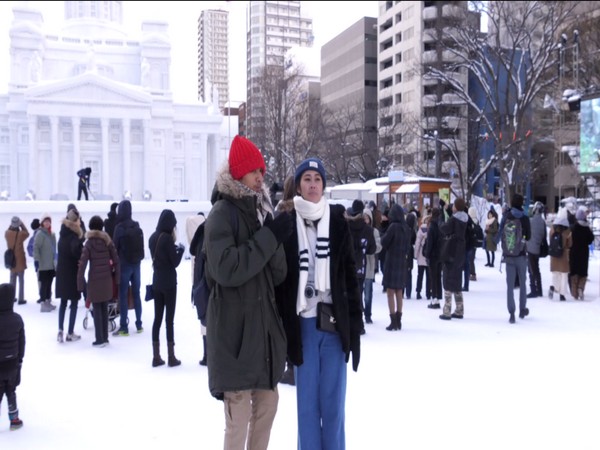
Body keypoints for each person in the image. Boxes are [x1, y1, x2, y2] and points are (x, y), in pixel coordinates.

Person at [204, 135, 292, 450]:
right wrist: (268, 238)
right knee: (237, 423)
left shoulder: (260, 213)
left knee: (267, 410)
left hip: (264, 336)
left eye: (262, 172)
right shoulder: (221, 215)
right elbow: (227, 269)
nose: (260, 177)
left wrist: (276, 236)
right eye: (254, 171)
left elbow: (278, 274)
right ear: (239, 172)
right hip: (235, 339)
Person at [274, 157, 361, 450]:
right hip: (304, 326)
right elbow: (281, 281)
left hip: (334, 324)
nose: (312, 184)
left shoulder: (337, 221)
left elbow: (350, 274)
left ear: (323, 185)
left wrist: (355, 326)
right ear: (298, 185)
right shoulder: (286, 222)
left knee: (334, 408)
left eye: (317, 179)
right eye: (307, 179)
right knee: (307, 408)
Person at [148, 209, 185, 368]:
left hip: (157, 281)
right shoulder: (168, 239)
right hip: (169, 283)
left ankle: (156, 357)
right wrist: (181, 250)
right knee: (169, 320)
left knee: (157, 319)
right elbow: (175, 262)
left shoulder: (152, 238)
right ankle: (171, 357)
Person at [77, 216, 120, 347]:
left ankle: (99, 339)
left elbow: (82, 264)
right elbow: (116, 260)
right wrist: (117, 279)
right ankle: (105, 338)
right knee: (104, 309)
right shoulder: (108, 241)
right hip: (107, 280)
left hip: (94, 281)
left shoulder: (89, 243)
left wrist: (79, 284)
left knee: (97, 309)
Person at [274, 174, 297, 386]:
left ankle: (289, 366)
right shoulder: (303, 213)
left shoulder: (279, 213)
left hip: (282, 277)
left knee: (285, 323)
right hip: (299, 275)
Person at [112, 200, 144, 336]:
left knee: (123, 295)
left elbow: (114, 247)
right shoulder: (137, 226)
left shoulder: (119, 228)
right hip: (136, 264)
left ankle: (124, 327)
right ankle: (139, 324)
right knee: (136, 294)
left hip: (124, 265)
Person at [497, 193, 531, 323]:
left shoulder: (506, 216)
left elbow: (500, 234)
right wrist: (522, 241)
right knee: (523, 283)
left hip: (508, 256)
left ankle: (511, 312)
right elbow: (529, 236)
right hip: (521, 255)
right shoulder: (525, 219)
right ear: (522, 203)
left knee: (510, 286)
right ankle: (522, 309)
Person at [346, 199, 376, 332]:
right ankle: (360, 324)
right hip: (361, 267)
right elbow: (372, 249)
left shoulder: (346, 227)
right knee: (359, 294)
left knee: (347, 295)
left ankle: (348, 323)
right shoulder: (368, 230)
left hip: (347, 267)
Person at [55, 207, 85, 342]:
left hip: (62, 273)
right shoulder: (74, 237)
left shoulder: (62, 234)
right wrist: (80, 257)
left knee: (63, 303)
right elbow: (76, 252)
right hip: (72, 273)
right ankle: (70, 332)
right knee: (73, 303)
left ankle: (60, 330)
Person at [380, 203, 410, 330]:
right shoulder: (406, 228)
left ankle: (393, 320)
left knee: (390, 292)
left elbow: (384, 242)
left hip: (391, 261)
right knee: (399, 291)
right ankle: (399, 319)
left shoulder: (393, 227)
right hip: (402, 262)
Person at [0, 283, 25, 431]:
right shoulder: (17, 319)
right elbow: (22, 342)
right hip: (13, 363)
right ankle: (14, 419)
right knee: (11, 391)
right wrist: (20, 359)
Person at [438, 198, 468, 320]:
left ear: (457, 207)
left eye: (454, 205)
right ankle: (460, 309)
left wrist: (441, 216)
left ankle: (447, 310)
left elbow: (444, 228)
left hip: (451, 251)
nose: (452, 207)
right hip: (460, 253)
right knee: (457, 281)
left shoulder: (454, 220)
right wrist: (447, 209)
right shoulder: (465, 219)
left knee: (447, 280)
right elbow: (454, 220)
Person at [186, 211, 207, 366]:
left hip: (199, 285)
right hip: (206, 285)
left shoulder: (196, 241)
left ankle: (207, 354)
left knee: (204, 324)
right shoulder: (207, 236)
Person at [569, 206, 595, 300]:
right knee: (583, 272)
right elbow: (591, 239)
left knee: (574, 272)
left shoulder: (573, 227)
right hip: (584, 252)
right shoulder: (586, 228)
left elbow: (569, 239)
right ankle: (581, 288)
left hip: (574, 252)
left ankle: (574, 293)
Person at [34, 213, 57, 313]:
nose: (47, 223)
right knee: (44, 284)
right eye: (45, 221)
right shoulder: (40, 234)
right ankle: (43, 303)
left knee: (49, 283)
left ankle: (48, 301)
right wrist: (37, 260)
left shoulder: (51, 234)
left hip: (51, 264)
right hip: (43, 264)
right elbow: (36, 247)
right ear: (42, 223)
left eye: (48, 221)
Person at [548, 208, 572, 302]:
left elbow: (550, 239)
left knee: (555, 274)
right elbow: (570, 244)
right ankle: (562, 294)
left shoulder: (552, 229)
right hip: (564, 255)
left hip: (554, 255)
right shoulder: (567, 230)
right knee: (564, 275)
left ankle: (554, 287)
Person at [362, 207, 381, 323]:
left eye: (367, 218)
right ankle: (361, 312)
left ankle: (368, 314)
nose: (365, 220)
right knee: (359, 292)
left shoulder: (374, 232)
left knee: (368, 294)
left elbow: (379, 246)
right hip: (359, 266)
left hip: (369, 266)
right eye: (363, 218)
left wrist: (370, 247)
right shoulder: (358, 231)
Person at [5, 216, 29, 305]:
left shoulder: (7, 233)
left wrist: (12, 225)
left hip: (11, 261)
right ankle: (21, 298)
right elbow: (27, 233)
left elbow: (9, 229)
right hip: (20, 261)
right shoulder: (21, 235)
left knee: (12, 280)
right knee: (21, 280)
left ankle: (12, 297)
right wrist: (21, 224)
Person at [526, 201, 546, 298]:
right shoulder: (543, 222)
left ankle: (533, 290)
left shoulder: (531, 220)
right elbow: (544, 236)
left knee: (531, 270)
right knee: (537, 269)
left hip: (530, 247)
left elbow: (525, 233)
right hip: (538, 248)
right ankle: (540, 289)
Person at [424, 207, 443, 309]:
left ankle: (434, 298)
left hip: (433, 256)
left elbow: (429, 243)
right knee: (438, 277)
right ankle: (438, 297)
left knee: (433, 278)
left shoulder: (432, 226)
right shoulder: (440, 225)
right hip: (439, 255)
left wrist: (427, 254)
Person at [414, 214, 431, 300]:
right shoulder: (431, 229)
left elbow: (417, 243)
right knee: (429, 276)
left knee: (419, 276)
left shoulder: (421, 229)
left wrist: (415, 255)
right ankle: (428, 293)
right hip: (428, 257)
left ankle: (418, 292)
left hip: (421, 256)